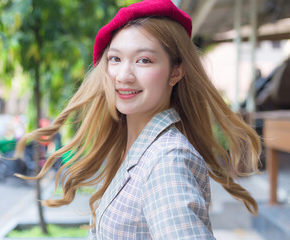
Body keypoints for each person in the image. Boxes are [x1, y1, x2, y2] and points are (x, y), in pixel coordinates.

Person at [15, 0, 261, 239]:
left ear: (176, 71)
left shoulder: (167, 160)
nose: (124, 76)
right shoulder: (138, 149)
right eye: (115, 59)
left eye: (144, 60)